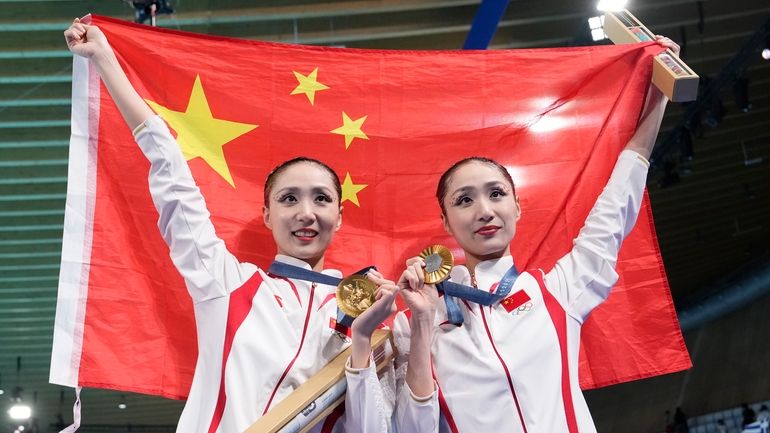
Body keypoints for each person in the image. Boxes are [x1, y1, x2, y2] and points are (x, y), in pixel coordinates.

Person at [64, 18, 396, 433]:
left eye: (322, 198)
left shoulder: (371, 313)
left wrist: (363, 339)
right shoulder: (226, 283)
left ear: (340, 216)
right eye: (288, 198)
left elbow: (374, 428)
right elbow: (173, 179)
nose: (306, 213)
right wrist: (105, 60)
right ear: (266, 215)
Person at [388, 36, 681, 433]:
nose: (485, 211)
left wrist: (661, 93)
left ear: (517, 206)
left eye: (496, 194)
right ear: (445, 221)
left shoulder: (558, 290)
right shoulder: (416, 322)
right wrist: (422, 325)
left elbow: (614, 210)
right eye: (464, 200)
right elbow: (413, 428)